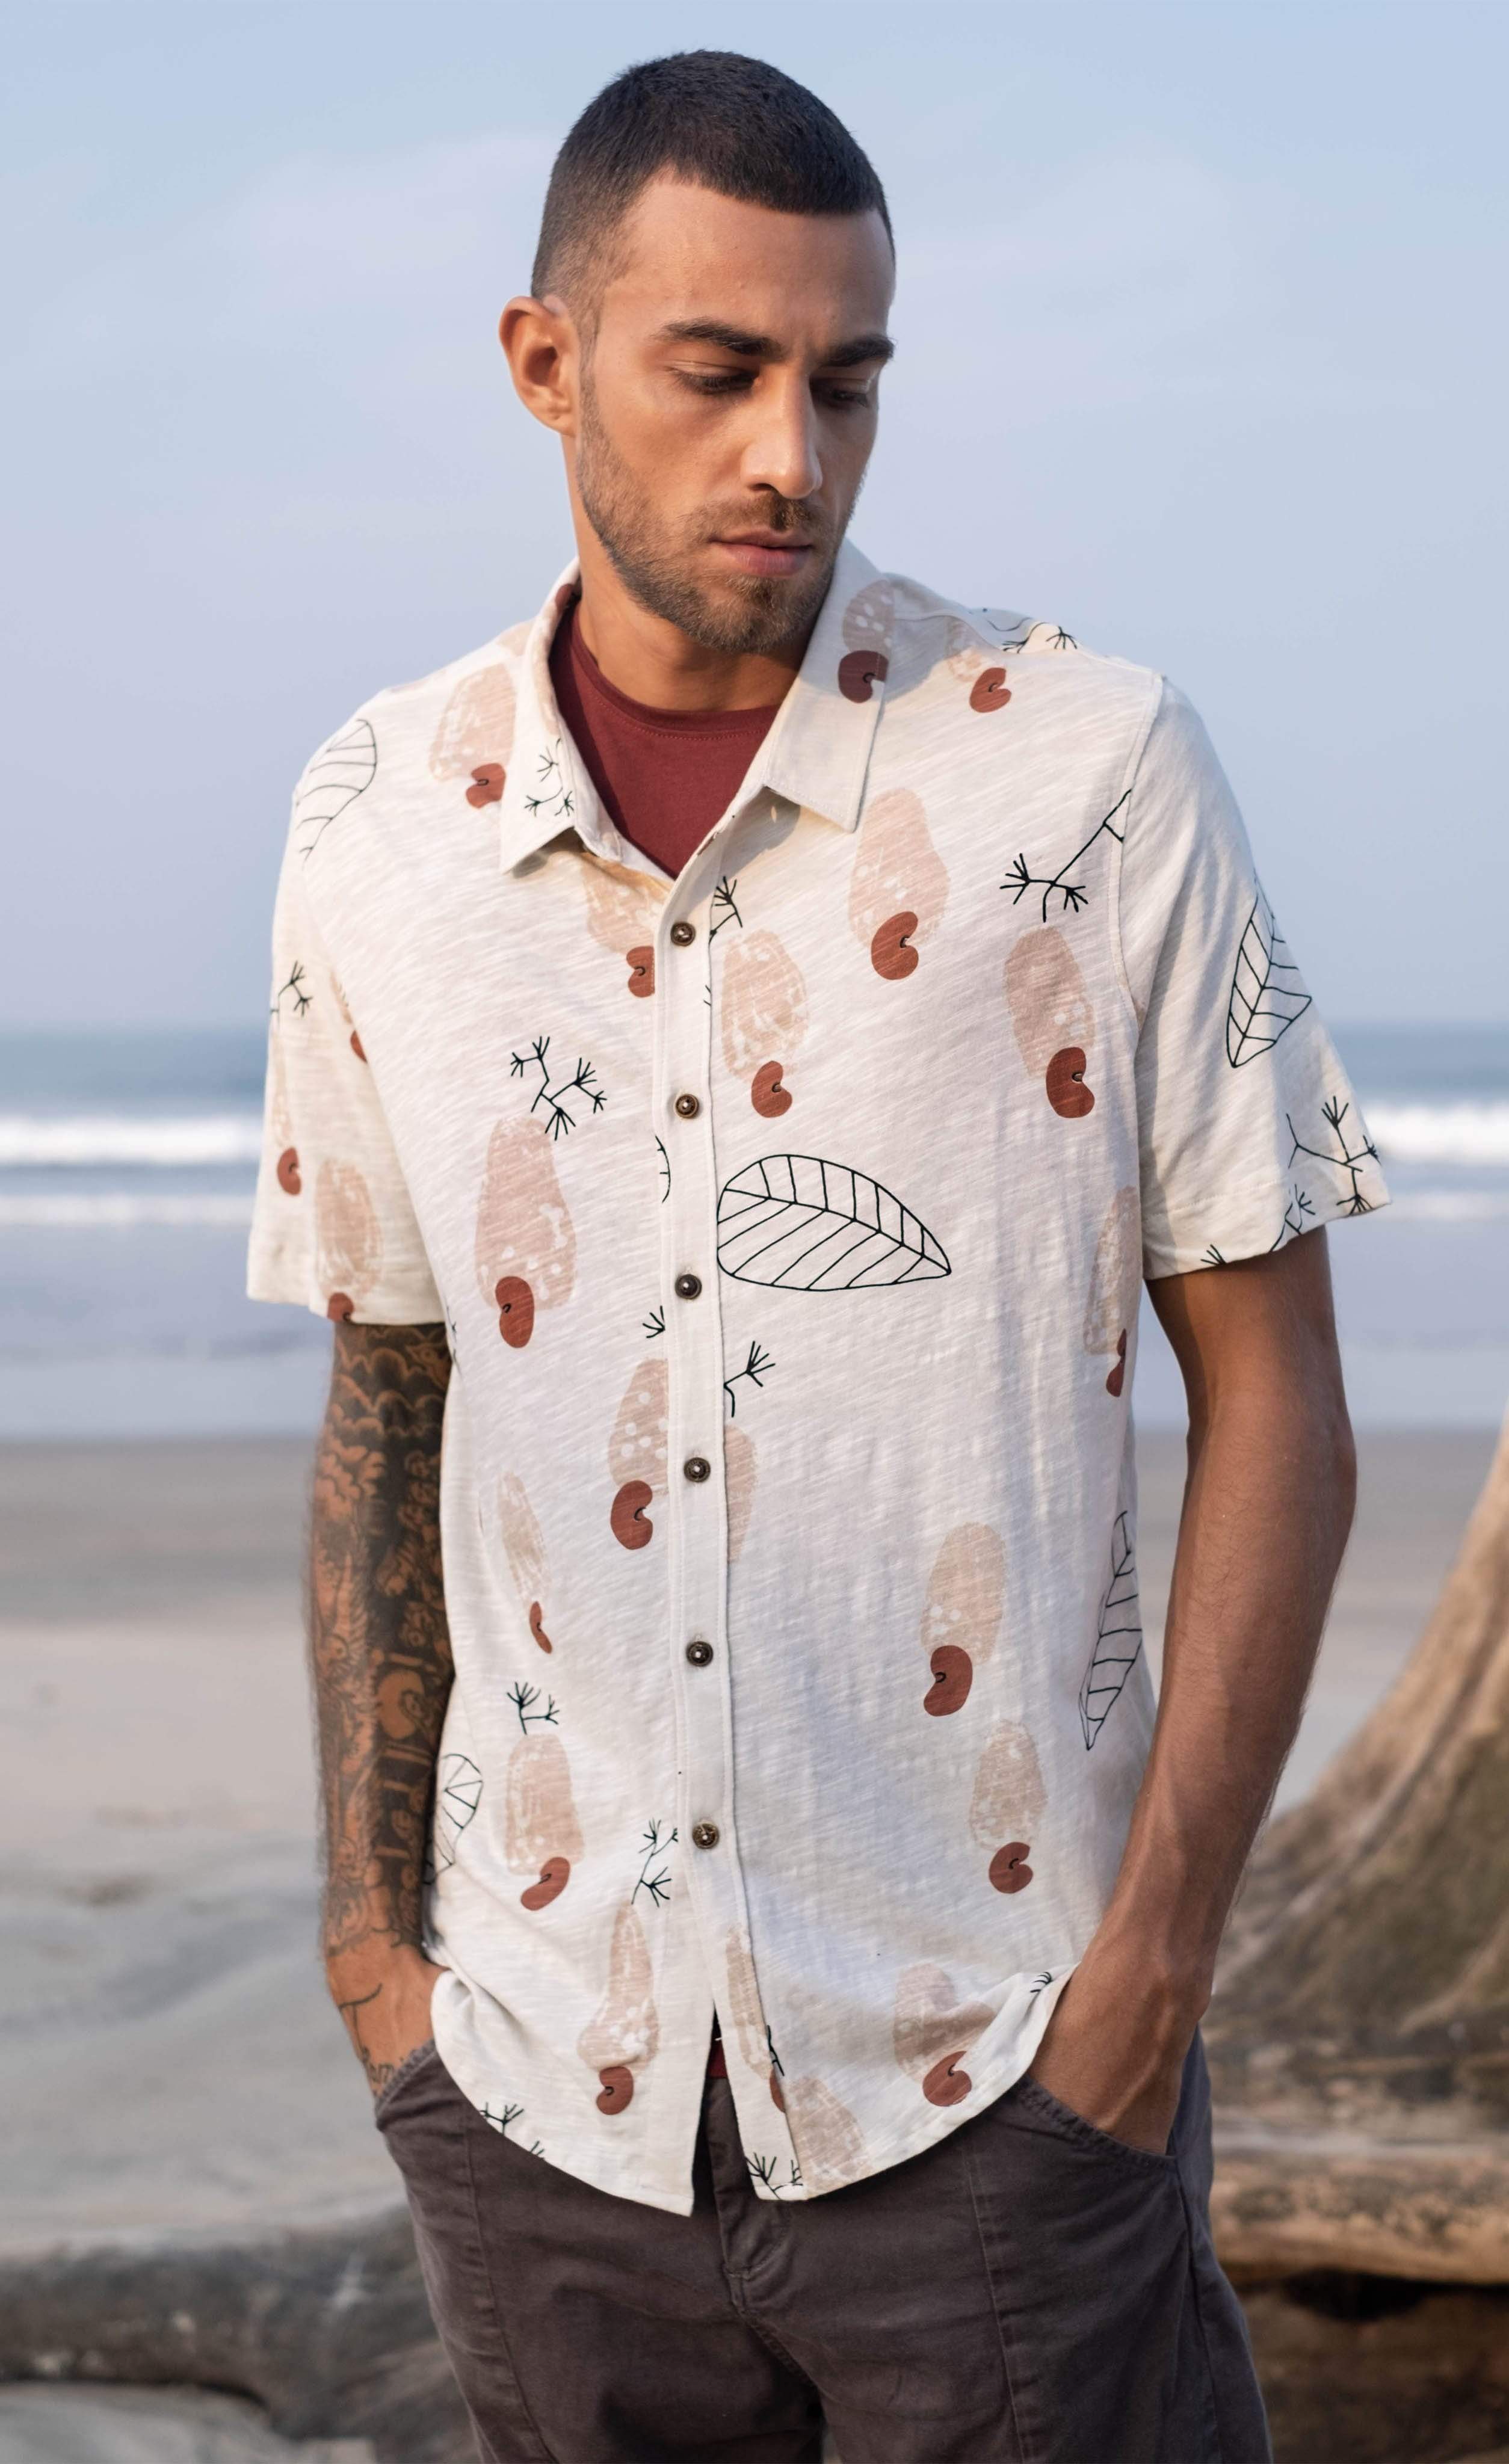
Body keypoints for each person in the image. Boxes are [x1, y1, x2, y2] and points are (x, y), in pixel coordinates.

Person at [247, 49, 1387, 2464]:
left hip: (999, 2092)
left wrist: (1146, 1986)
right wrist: (377, 1970)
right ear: (544, 362)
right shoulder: (374, 826)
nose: (793, 451)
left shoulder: (1086, 772)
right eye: (718, 371)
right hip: (541, 2108)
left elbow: (1274, 1392)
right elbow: (391, 1393)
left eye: (844, 381)